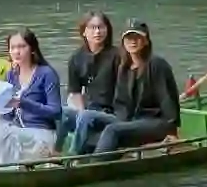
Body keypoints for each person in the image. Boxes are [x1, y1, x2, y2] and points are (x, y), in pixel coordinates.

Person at [0, 29, 62, 166]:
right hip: (18, 130)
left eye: (22, 46)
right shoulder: (11, 75)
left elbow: (56, 112)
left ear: (32, 49)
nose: (16, 51)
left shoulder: (46, 73)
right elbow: (9, 115)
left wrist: (23, 103)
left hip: (41, 133)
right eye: (13, 48)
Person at [92, 19, 182, 158]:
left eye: (137, 37)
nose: (133, 41)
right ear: (123, 42)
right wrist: (123, 124)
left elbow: (167, 100)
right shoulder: (124, 68)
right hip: (134, 121)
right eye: (129, 38)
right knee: (94, 134)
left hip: (157, 122)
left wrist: (172, 129)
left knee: (112, 130)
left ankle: (94, 168)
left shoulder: (157, 65)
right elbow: (120, 103)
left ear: (146, 41)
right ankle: (77, 163)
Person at [57, 11, 122, 156]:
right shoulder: (76, 58)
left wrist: (84, 115)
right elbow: (75, 92)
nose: (97, 31)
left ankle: (73, 156)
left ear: (107, 30)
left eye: (101, 27)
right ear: (84, 32)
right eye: (92, 27)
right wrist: (80, 111)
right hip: (88, 110)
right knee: (62, 112)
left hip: (112, 113)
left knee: (86, 116)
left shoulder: (118, 56)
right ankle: (55, 152)